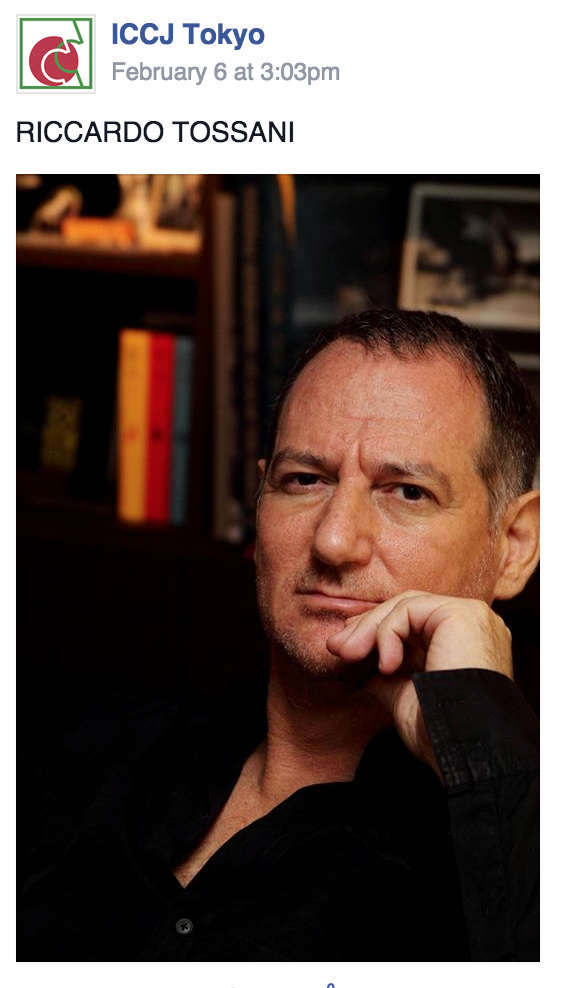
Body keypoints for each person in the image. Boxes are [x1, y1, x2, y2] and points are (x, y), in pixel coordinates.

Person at [17, 309, 540, 961]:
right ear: (261, 503)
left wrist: (476, 733)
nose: (334, 540)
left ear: (514, 544)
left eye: (407, 492)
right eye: (304, 481)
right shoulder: (81, 752)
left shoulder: (519, 855)